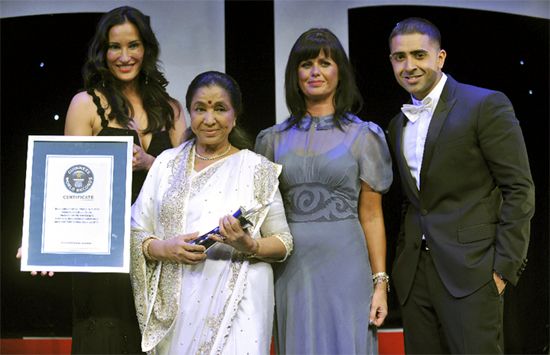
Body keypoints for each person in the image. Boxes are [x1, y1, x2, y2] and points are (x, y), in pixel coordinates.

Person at [386, 17, 535, 354]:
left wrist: (503, 268)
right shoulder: (397, 124)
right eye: (399, 57)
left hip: (473, 272)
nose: (409, 66)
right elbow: (414, 201)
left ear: (440, 58)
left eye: (419, 55)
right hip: (414, 276)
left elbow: (519, 188)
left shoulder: (484, 105)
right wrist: (401, 265)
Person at [130, 70, 293, 354]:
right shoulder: (166, 164)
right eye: (200, 109)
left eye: (220, 109)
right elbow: (134, 231)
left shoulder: (256, 169)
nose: (209, 119)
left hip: (239, 302)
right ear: (190, 113)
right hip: (176, 307)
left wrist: (248, 244)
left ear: (235, 115)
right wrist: (164, 249)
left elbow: (283, 242)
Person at [255, 28, 393, 354]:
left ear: (339, 72)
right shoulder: (270, 140)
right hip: (290, 269)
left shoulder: (364, 136)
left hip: (347, 267)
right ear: (295, 74)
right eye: (306, 64)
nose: (315, 72)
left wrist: (381, 284)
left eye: (325, 63)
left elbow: (372, 216)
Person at [63, 6, 185, 353]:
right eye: (115, 47)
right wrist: (46, 243)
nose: (124, 56)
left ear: (146, 49)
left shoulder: (172, 109)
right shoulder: (85, 105)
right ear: (102, 53)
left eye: (133, 45)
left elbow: (190, 183)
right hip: (103, 254)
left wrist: (151, 162)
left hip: (160, 252)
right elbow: (68, 188)